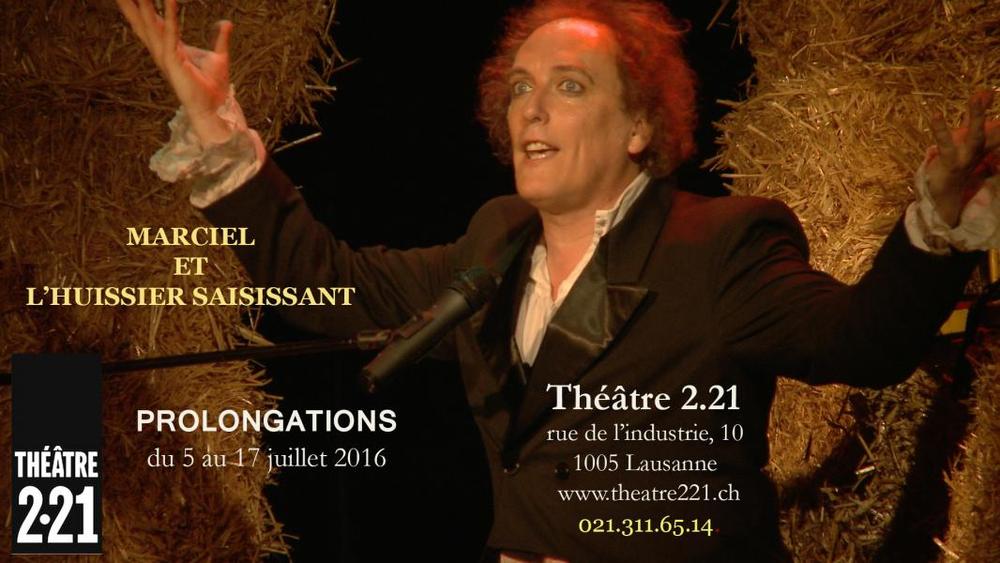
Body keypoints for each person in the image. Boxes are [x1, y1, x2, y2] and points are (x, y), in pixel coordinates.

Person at [115, 0, 999, 561]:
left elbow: (864, 341)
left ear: (640, 125)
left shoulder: (721, 244)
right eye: (519, 88)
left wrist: (935, 227)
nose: (531, 108)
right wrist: (220, 134)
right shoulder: (496, 239)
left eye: (569, 87)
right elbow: (325, 283)